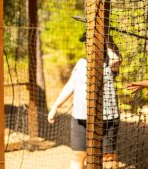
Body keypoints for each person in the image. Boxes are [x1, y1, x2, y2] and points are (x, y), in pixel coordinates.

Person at [48, 34, 122, 169]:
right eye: (86, 42)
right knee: (77, 156)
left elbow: (116, 59)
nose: (88, 45)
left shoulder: (110, 62)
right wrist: (55, 106)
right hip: (80, 118)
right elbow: (71, 85)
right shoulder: (81, 63)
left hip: (107, 119)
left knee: (108, 159)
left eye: (92, 42)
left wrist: (105, 37)